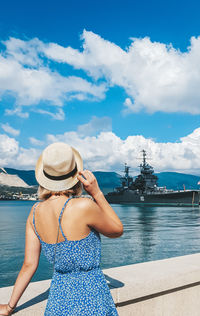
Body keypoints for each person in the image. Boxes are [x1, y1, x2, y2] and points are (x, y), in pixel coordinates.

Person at [0, 142, 123, 315]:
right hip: (93, 298)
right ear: (75, 175)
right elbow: (117, 230)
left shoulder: (34, 212)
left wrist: (10, 307)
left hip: (58, 301)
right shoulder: (83, 206)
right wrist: (97, 193)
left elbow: (29, 265)